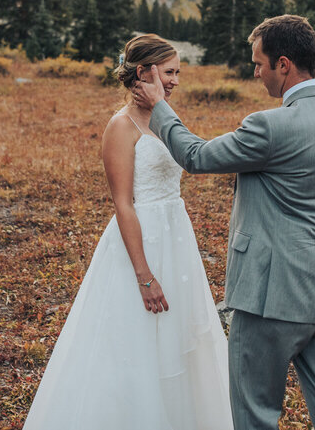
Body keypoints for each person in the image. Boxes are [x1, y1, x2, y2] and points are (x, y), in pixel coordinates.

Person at [132, 15, 315, 430]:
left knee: (256, 413)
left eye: (259, 63)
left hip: (270, 298)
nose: (255, 72)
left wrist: (160, 109)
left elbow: (196, 156)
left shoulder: (269, 126)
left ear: (283, 65)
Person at [22, 34, 232, 430]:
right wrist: (145, 276)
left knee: (180, 336)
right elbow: (123, 203)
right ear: (143, 72)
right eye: (169, 72)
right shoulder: (120, 127)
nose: (175, 81)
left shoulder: (166, 114)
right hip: (141, 240)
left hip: (177, 235)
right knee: (135, 340)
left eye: (177, 73)